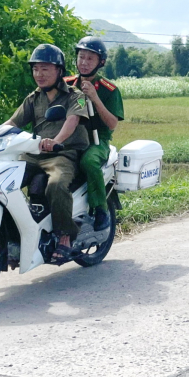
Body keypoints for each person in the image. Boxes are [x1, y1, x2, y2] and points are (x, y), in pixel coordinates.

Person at [5, 44, 90, 260]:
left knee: (57, 184)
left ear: (59, 70)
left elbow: (72, 121)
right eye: (35, 69)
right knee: (4, 181)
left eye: (45, 69)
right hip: (34, 154)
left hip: (63, 153)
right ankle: (10, 234)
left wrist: (56, 141)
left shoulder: (76, 95)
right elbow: (13, 122)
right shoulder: (33, 98)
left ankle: (65, 235)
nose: (39, 74)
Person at [64, 36, 124, 232]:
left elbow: (112, 123)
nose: (84, 62)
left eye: (90, 58)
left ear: (101, 62)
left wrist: (95, 98)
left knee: (89, 161)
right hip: (70, 138)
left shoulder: (109, 90)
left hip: (97, 140)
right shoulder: (67, 83)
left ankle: (100, 210)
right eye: (81, 57)